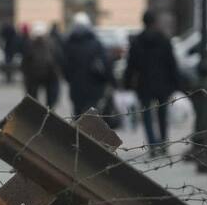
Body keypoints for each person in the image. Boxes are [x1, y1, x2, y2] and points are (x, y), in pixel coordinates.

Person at [124, 11, 181, 156]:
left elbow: (131, 66)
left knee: (147, 116)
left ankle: (152, 145)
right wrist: (176, 83)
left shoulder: (137, 41)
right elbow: (172, 64)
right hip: (163, 84)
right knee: (162, 114)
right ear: (155, 22)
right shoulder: (164, 40)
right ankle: (163, 143)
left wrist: (127, 84)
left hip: (144, 84)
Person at [61, 12, 113, 118]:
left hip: (76, 88)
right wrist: (109, 80)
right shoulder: (96, 43)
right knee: (92, 117)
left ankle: (77, 129)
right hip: (94, 87)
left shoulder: (69, 44)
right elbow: (106, 64)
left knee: (78, 116)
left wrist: (70, 79)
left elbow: (65, 67)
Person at [21, 22, 63, 109]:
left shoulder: (29, 43)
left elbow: (25, 61)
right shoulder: (52, 42)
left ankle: (37, 110)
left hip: (35, 75)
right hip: (49, 74)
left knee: (33, 98)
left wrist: (25, 73)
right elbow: (58, 58)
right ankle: (48, 110)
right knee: (50, 99)